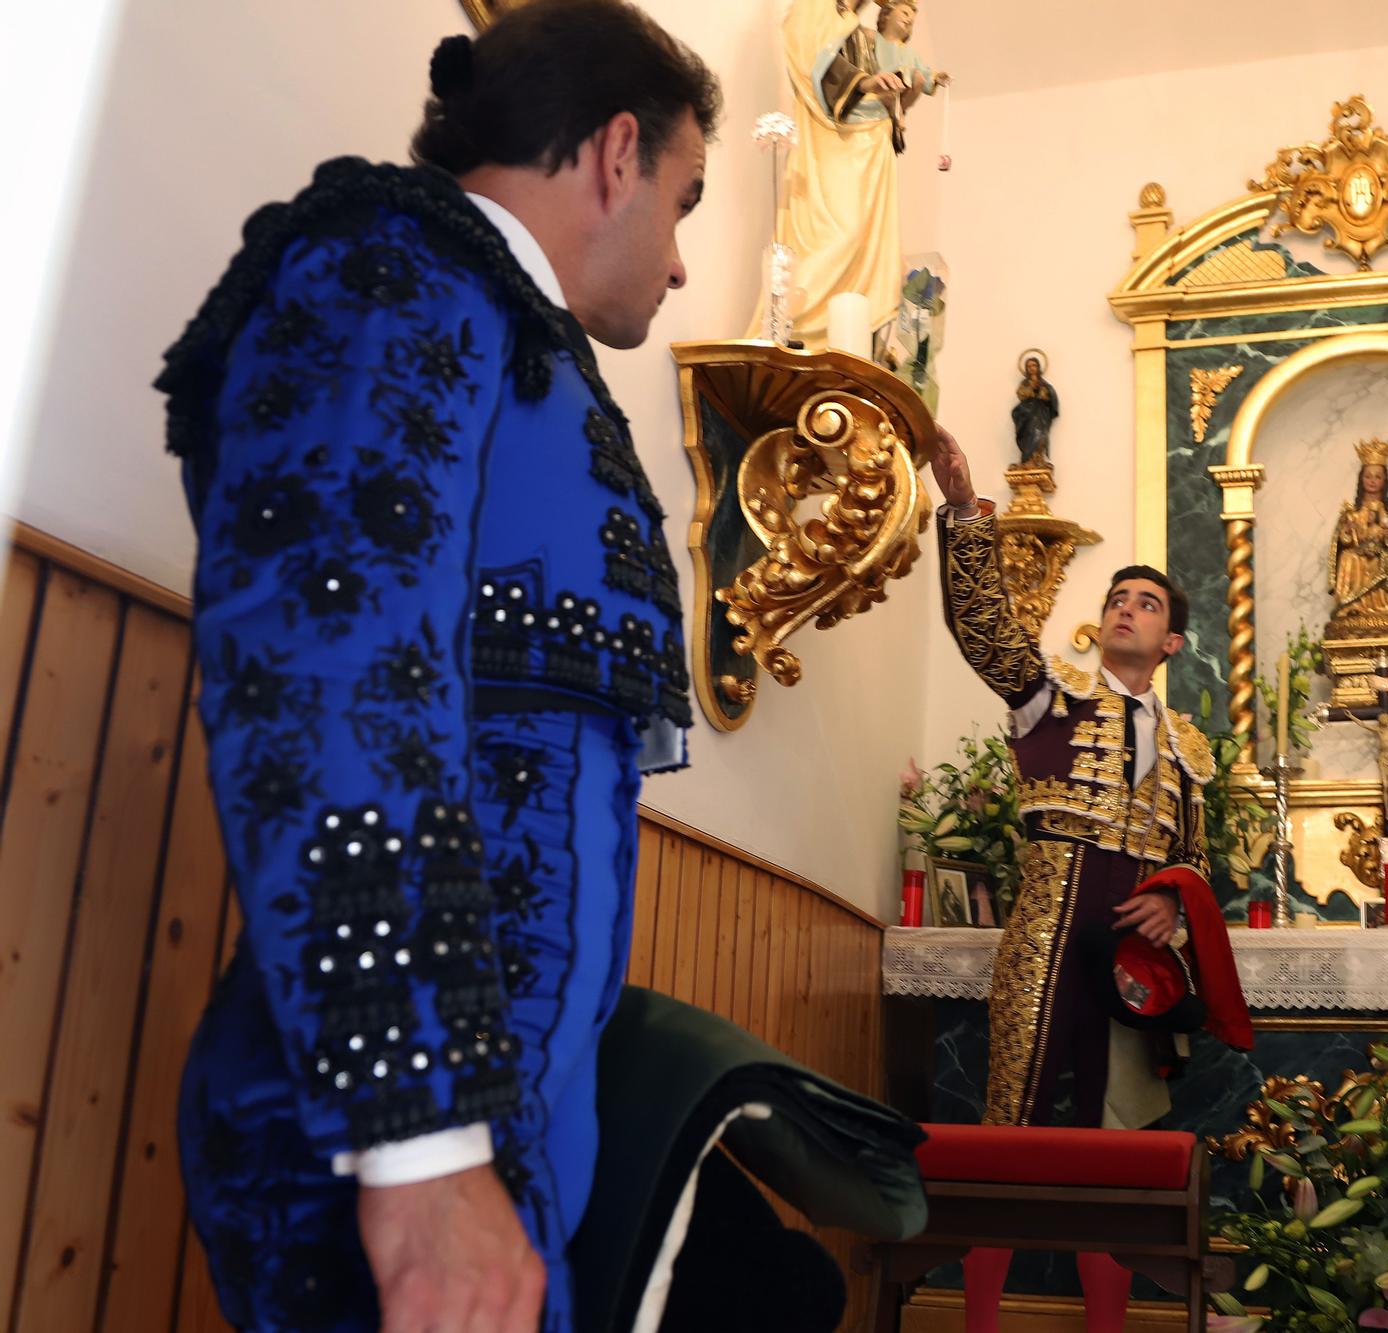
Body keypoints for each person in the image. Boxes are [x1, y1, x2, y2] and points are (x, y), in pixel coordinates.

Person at [156, 4, 717, 1328]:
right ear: (616, 153)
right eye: (686, 202)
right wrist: (421, 1152)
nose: (685, 263)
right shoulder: (390, 271)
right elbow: (327, 663)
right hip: (397, 1135)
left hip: (492, 1130)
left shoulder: (499, 326)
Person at [929, 429, 1251, 1333]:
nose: (1125, 609)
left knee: (1112, 1144)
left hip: (1129, 961)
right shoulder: (1050, 693)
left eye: (1145, 603)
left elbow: (1198, 860)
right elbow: (983, 628)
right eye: (1116, 596)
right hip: (1045, 933)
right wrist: (961, 516)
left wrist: (1176, 902)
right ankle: (983, 1325)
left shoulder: (1194, 747)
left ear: (1172, 638)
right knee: (1009, 1132)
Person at [759, 0, 949, 346]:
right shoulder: (815, 9)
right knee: (840, 231)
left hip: (868, 143)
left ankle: (849, 337)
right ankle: (800, 325)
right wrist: (865, 83)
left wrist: (900, 97)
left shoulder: (855, 28)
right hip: (830, 144)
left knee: (865, 238)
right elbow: (813, 58)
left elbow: (887, 86)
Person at [1326, 438, 1388, 638]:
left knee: (1384, 559)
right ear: (1361, 480)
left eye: (1377, 477)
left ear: (1384, 481)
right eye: (1368, 476)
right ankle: (1353, 607)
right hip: (1358, 555)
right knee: (1349, 558)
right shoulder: (1351, 512)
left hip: (1383, 556)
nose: (1372, 481)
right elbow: (1341, 544)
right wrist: (1348, 531)